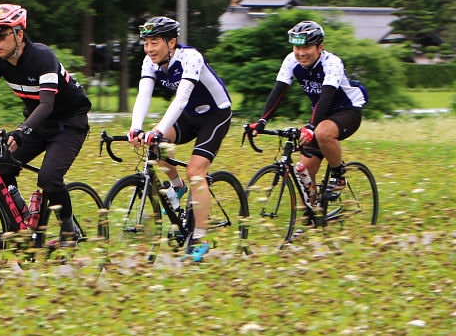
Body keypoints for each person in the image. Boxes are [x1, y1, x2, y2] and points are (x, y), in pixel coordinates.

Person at [0, 3, 91, 241]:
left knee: (48, 179)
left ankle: (68, 229)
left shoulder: (43, 57)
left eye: (1, 36)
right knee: (0, 169)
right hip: (38, 124)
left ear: (19, 34)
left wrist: (22, 130)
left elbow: (47, 104)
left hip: (69, 123)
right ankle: (21, 224)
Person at [127, 15, 233, 259]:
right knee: (156, 148)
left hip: (215, 115)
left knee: (196, 172)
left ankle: (200, 236)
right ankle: (177, 187)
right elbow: (144, 95)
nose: (149, 49)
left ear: (171, 42)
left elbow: (182, 98)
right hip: (188, 116)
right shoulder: (149, 62)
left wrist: (157, 129)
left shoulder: (191, 57)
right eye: (146, 43)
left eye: (155, 42)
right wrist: (135, 127)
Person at [246, 20, 367, 194]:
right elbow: (279, 90)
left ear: (320, 47)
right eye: (297, 49)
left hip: (347, 109)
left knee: (322, 132)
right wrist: (262, 121)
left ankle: (339, 174)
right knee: (304, 177)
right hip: (320, 114)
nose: (301, 53)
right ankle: (312, 216)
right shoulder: (291, 60)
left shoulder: (332, 63)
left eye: (307, 48)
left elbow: (327, 95)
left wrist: (311, 127)